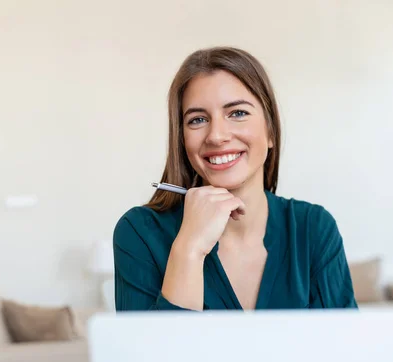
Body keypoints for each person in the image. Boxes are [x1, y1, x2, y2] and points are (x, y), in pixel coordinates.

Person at [113, 46, 357, 311]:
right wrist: (190, 249)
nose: (216, 136)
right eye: (197, 119)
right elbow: (149, 352)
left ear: (271, 131)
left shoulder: (314, 229)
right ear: (182, 139)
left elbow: (344, 349)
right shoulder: (139, 233)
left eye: (238, 113)